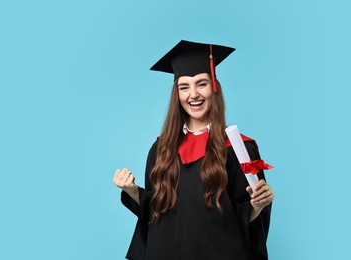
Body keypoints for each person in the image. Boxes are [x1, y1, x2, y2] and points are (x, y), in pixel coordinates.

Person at [113, 40, 274, 260]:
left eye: (201, 84)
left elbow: (244, 217)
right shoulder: (161, 149)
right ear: (176, 95)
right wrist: (132, 191)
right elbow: (156, 213)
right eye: (184, 87)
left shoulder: (238, 149)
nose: (193, 94)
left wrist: (257, 205)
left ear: (214, 88)